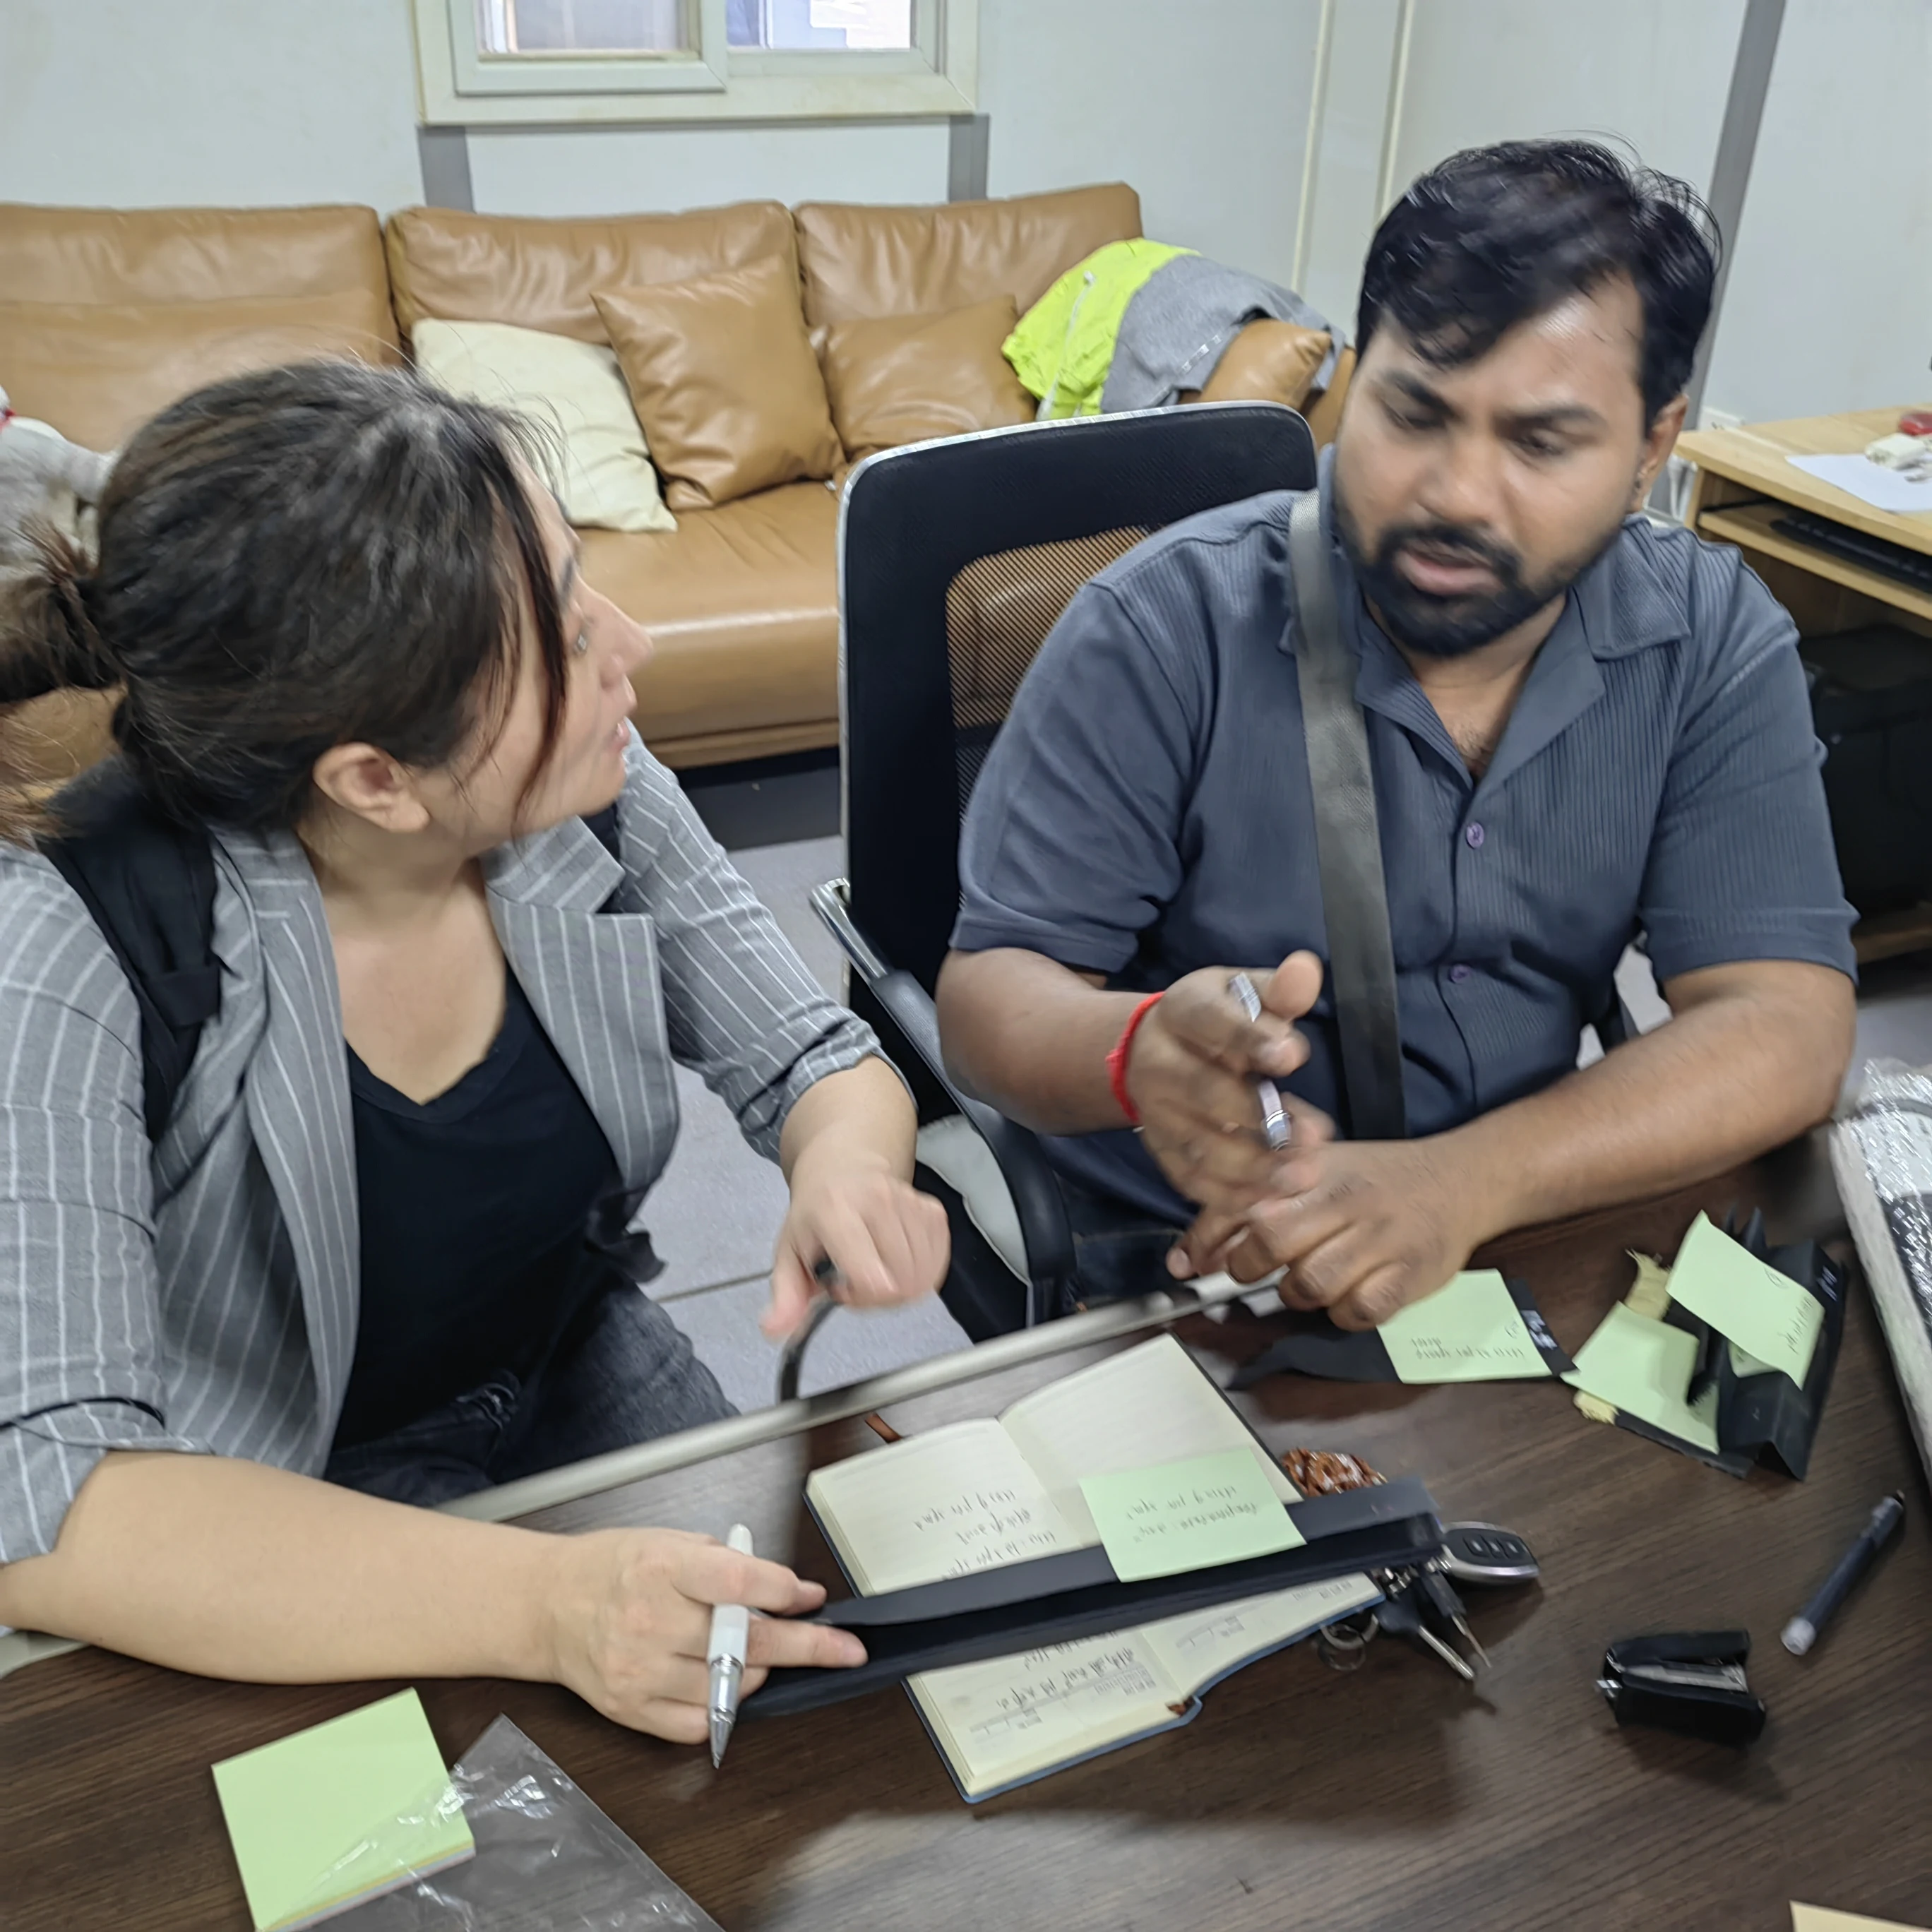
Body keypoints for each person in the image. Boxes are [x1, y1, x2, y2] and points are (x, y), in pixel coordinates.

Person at [0, 361, 950, 1741]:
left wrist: (848, 1165)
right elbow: (52, 1497)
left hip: (560, 1356)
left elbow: (813, 1056)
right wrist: (547, 1606)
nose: (630, 645)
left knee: (785, 1715)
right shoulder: (74, 936)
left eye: (578, 583)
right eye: (561, 635)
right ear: (374, 779)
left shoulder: (584, 789)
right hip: (273, 1481)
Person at [936, 139, 1856, 1328]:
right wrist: (1135, 1051)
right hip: (1190, 1260)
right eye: (1414, 413)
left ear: (1651, 448)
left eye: (1540, 442)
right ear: (1356, 382)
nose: (1456, 494)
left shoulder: (1708, 640)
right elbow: (988, 1000)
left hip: (1516, 1218)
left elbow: (1786, 1022)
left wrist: (1464, 1183)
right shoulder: (1164, 625)